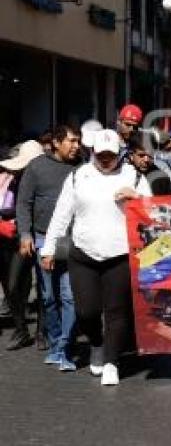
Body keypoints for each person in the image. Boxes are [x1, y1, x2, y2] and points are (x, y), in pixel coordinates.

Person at [41, 129, 152, 386]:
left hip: (120, 254)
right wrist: (48, 248)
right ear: (92, 152)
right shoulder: (78, 175)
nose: (105, 159)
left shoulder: (134, 177)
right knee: (86, 311)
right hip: (84, 253)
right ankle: (97, 343)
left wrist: (137, 198)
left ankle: (112, 361)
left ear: (120, 154)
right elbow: (61, 214)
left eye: (110, 155)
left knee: (116, 311)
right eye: (100, 154)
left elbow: (155, 212)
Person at [16, 126, 81, 370]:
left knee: (69, 296)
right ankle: (55, 344)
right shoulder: (37, 167)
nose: (76, 146)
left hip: (72, 240)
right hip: (43, 239)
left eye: (78, 142)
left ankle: (64, 348)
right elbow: (24, 203)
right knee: (48, 297)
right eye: (72, 141)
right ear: (56, 142)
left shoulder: (81, 168)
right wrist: (25, 235)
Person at [0, 140, 49, 351]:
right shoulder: (9, 179)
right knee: (12, 286)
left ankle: (42, 331)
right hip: (12, 238)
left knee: (41, 285)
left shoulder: (42, 183)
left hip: (35, 236)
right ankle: (22, 330)